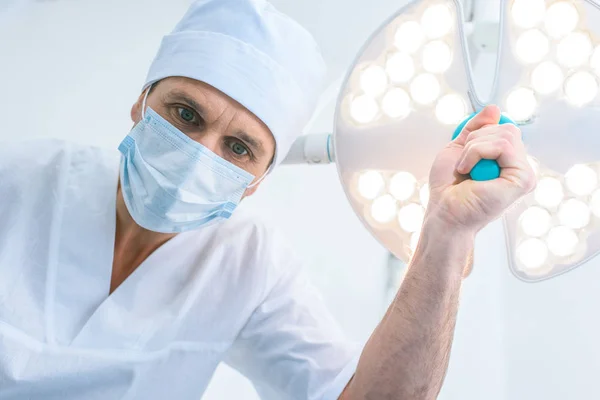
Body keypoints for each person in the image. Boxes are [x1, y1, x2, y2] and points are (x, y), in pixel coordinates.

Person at [0, 0, 535, 399]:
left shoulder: (248, 265)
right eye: (185, 114)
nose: (196, 156)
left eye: (238, 148)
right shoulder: (20, 179)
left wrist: (447, 236)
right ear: (141, 104)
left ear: (257, 179)